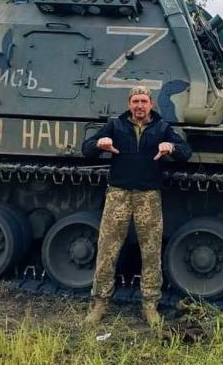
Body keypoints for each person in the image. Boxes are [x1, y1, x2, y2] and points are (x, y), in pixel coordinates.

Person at [81, 85, 192, 327]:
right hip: (118, 195)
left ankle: (150, 304)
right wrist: (100, 143)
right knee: (107, 249)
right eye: (135, 101)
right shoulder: (116, 125)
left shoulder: (162, 127)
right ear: (129, 104)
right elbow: (86, 149)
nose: (139, 105)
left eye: (143, 101)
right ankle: (100, 303)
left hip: (148, 196)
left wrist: (171, 147)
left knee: (151, 252)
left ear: (151, 104)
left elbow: (186, 152)